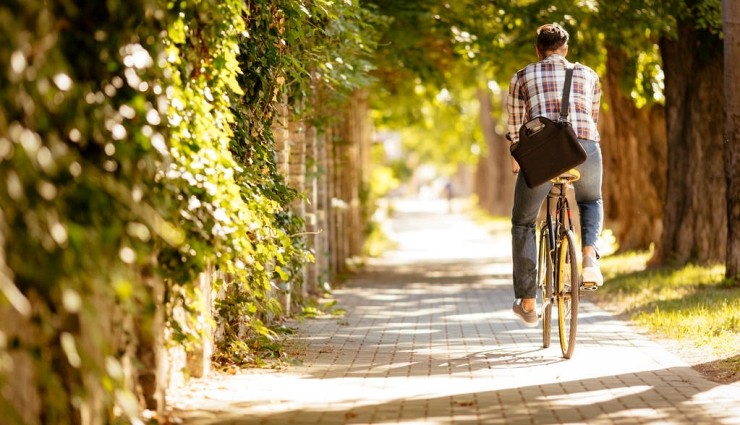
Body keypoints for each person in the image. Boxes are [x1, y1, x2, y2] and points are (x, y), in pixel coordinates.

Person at [506, 23, 604, 328]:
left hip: (544, 154)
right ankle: (589, 257)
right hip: (583, 148)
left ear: (538, 50)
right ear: (565, 49)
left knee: (523, 222)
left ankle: (528, 303)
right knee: (591, 200)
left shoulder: (522, 76)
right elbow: (592, 117)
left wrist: (516, 160)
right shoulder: (588, 74)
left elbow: (514, 129)